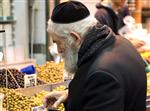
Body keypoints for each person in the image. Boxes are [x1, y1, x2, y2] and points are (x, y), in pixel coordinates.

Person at [43, 1, 147, 111]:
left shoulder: (101, 75)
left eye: (58, 42)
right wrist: (72, 95)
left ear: (75, 38)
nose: (58, 50)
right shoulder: (123, 43)